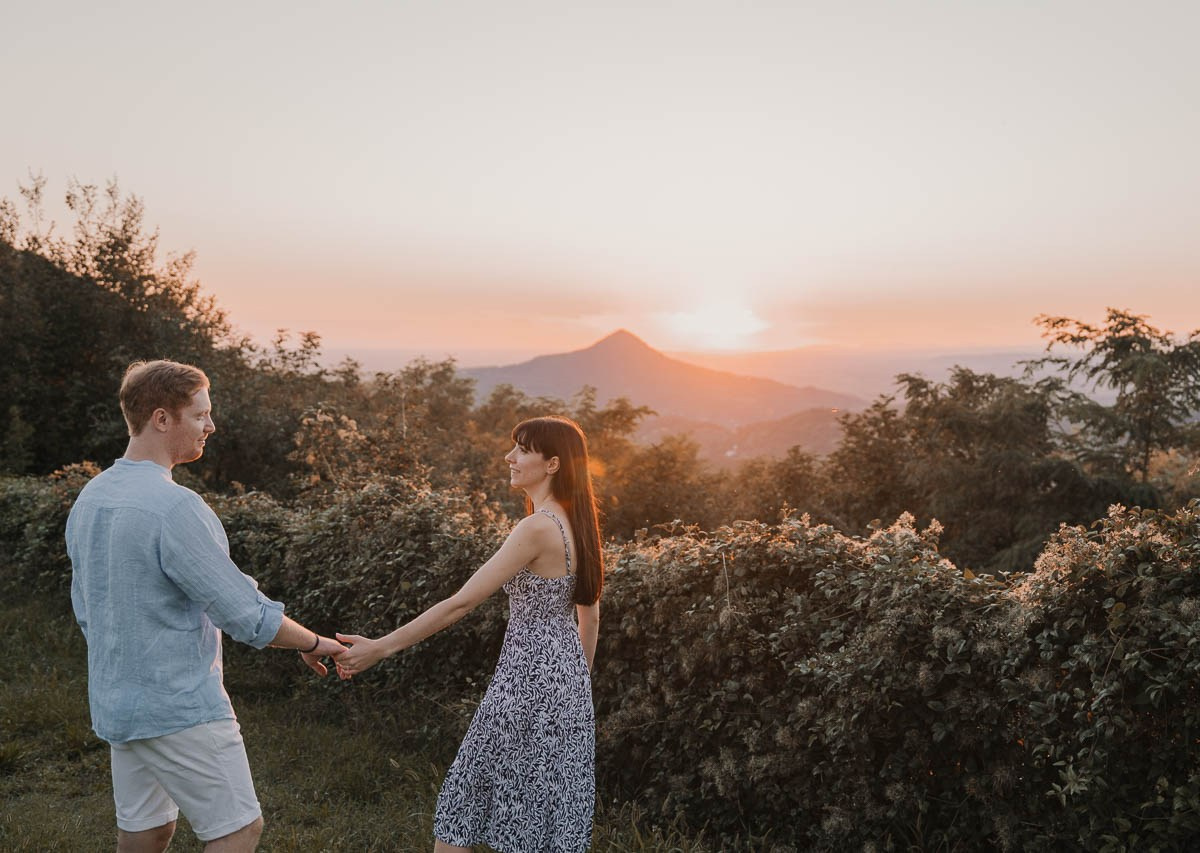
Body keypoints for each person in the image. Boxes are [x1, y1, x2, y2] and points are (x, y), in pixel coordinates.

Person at [66, 360, 345, 853]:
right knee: (238, 829)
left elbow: (87, 609)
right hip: (179, 707)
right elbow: (246, 615)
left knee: (146, 830)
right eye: (200, 415)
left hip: (117, 701)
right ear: (161, 418)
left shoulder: (92, 497)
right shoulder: (175, 508)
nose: (211, 426)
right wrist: (317, 643)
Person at [336, 415, 603, 852]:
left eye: (522, 449)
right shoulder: (580, 525)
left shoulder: (537, 528)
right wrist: (575, 686)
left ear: (553, 464)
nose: (509, 457)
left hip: (526, 681)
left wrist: (380, 648)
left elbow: (460, 603)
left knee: (465, 800)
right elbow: (588, 618)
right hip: (567, 683)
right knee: (538, 812)